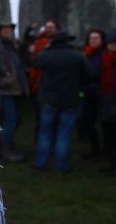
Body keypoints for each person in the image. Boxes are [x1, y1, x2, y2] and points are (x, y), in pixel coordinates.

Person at [32, 32, 92, 172]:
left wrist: (47, 49)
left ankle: (41, 163)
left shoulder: (47, 55)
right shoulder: (77, 56)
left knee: (45, 132)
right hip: (70, 99)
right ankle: (62, 166)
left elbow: (35, 64)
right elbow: (90, 74)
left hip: (49, 99)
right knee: (64, 133)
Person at [0, 22, 28, 162]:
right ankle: (4, 150)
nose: (7, 31)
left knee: (16, 120)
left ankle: (6, 145)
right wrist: (4, 73)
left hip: (16, 89)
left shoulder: (13, 45)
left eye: (10, 29)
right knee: (10, 120)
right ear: (0, 31)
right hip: (5, 89)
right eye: (5, 29)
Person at [80, 30, 105, 159]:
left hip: (103, 93)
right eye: (91, 38)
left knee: (106, 123)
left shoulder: (105, 54)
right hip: (88, 92)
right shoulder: (86, 54)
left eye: (96, 38)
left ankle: (105, 150)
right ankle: (95, 149)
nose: (93, 40)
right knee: (88, 121)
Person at [100, 31, 116, 176]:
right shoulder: (105, 59)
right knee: (109, 136)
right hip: (107, 100)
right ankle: (111, 163)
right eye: (111, 44)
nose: (113, 46)